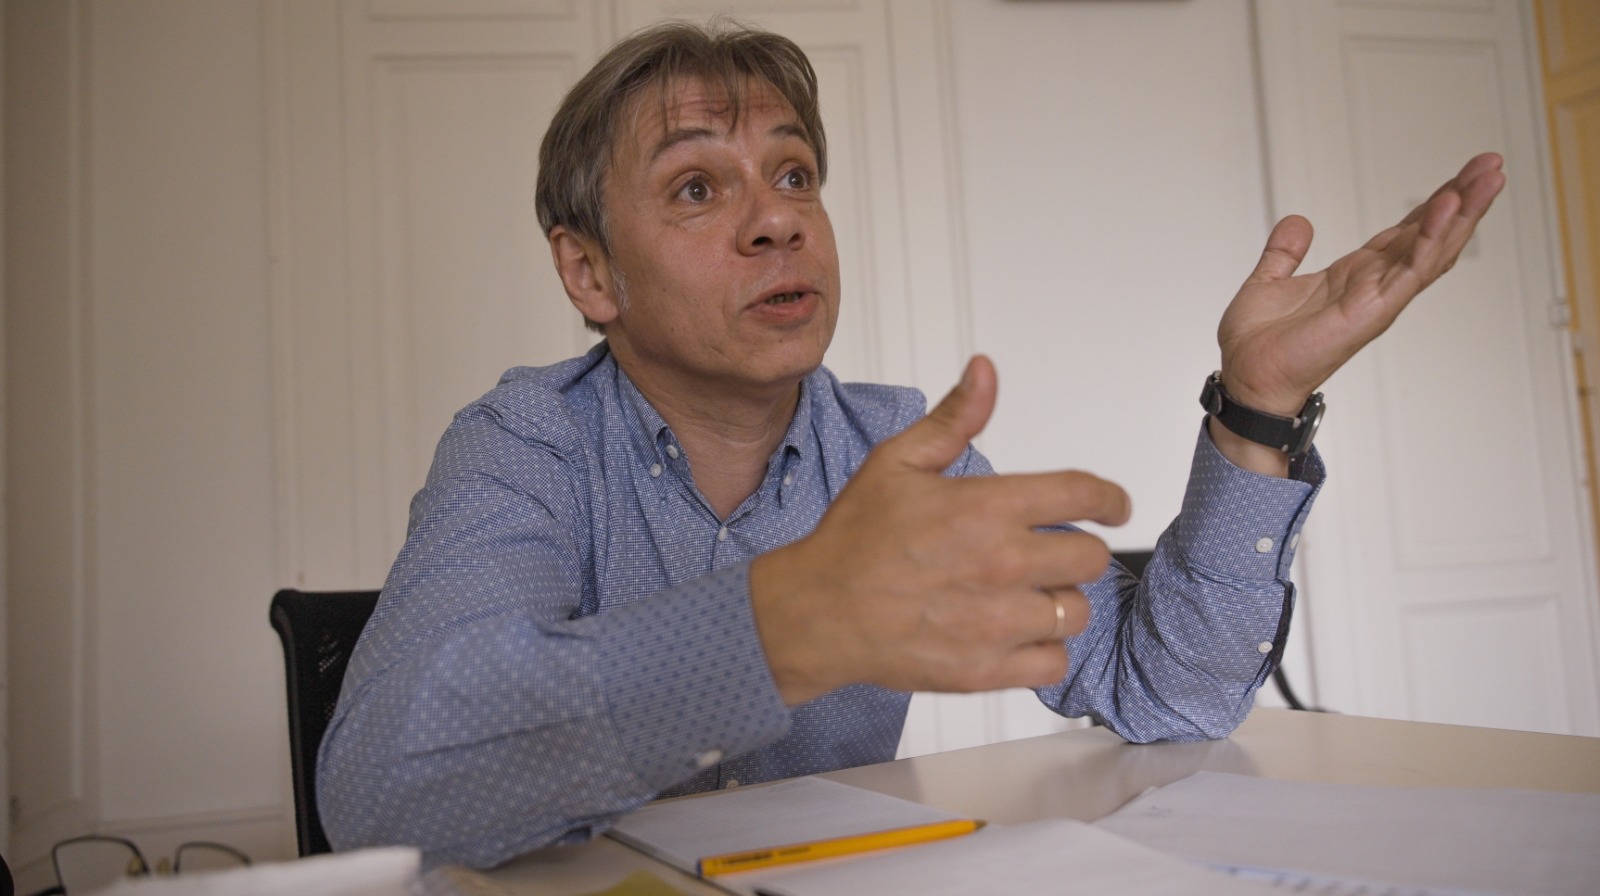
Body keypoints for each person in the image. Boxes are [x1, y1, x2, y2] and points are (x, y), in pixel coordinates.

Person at [316, 21, 1503, 869]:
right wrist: (787, 621)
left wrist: (1255, 404)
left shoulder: (896, 447)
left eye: (793, 174)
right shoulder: (524, 441)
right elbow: (379, 792)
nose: (776, 218)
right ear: (589, 272)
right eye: (696, 189)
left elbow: (1164, 690)